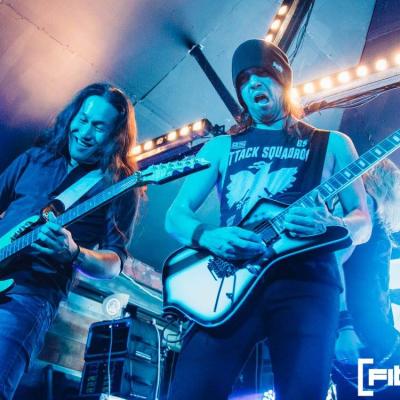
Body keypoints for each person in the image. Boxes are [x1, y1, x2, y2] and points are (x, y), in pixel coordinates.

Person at [164, 39, 371, 400]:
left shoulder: (333, 143)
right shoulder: (221, 147)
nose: (251, 85)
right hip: (231, 282)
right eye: (243, 81)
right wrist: (209, 236)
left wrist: (333, 225)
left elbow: (363, 222)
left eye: (261, 74)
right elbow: (175, 216)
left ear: (283, 79)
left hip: (306, 282)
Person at [0, 83, 139, 399]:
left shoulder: (118, 185)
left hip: (30, 295)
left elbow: (114, 263)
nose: (85, 133)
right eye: (83, 120)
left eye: (99, 127)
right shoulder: (35, 159)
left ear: (115, 136)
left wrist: (75, 253)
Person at [334, 159, 400, 399]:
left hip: (371, 326)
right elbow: (334, 261)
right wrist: (345, 325)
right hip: (363, 329)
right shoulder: (366, 206)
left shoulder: (372, 211)